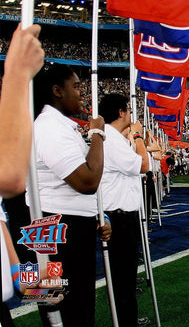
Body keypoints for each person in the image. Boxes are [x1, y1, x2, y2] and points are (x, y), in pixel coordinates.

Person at [32, 63, 111, 327]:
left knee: (73, 309)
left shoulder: (58, 125)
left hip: (62, 226)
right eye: (76, 86)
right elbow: (87, 182)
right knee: (65, 313)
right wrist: (98, 133)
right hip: (56, 229)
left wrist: (97, 216)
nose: (81, 93)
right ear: (57, 91)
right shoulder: (48, 128)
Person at [0, 24, 44, 326]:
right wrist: (16, 75)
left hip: (31, 222)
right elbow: (10, 180)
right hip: (32, 216)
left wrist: (16, 272)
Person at [98, 93, 150, 327]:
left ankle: (127, 318)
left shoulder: (114, 138)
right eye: (128, 109)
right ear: (120, 112)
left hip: (123, 215)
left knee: (126, 276)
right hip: (119, 218)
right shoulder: (111, 139)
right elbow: (144, 165)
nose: (130, 114)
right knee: (123, 277)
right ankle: (126, 321)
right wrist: (137, 134)